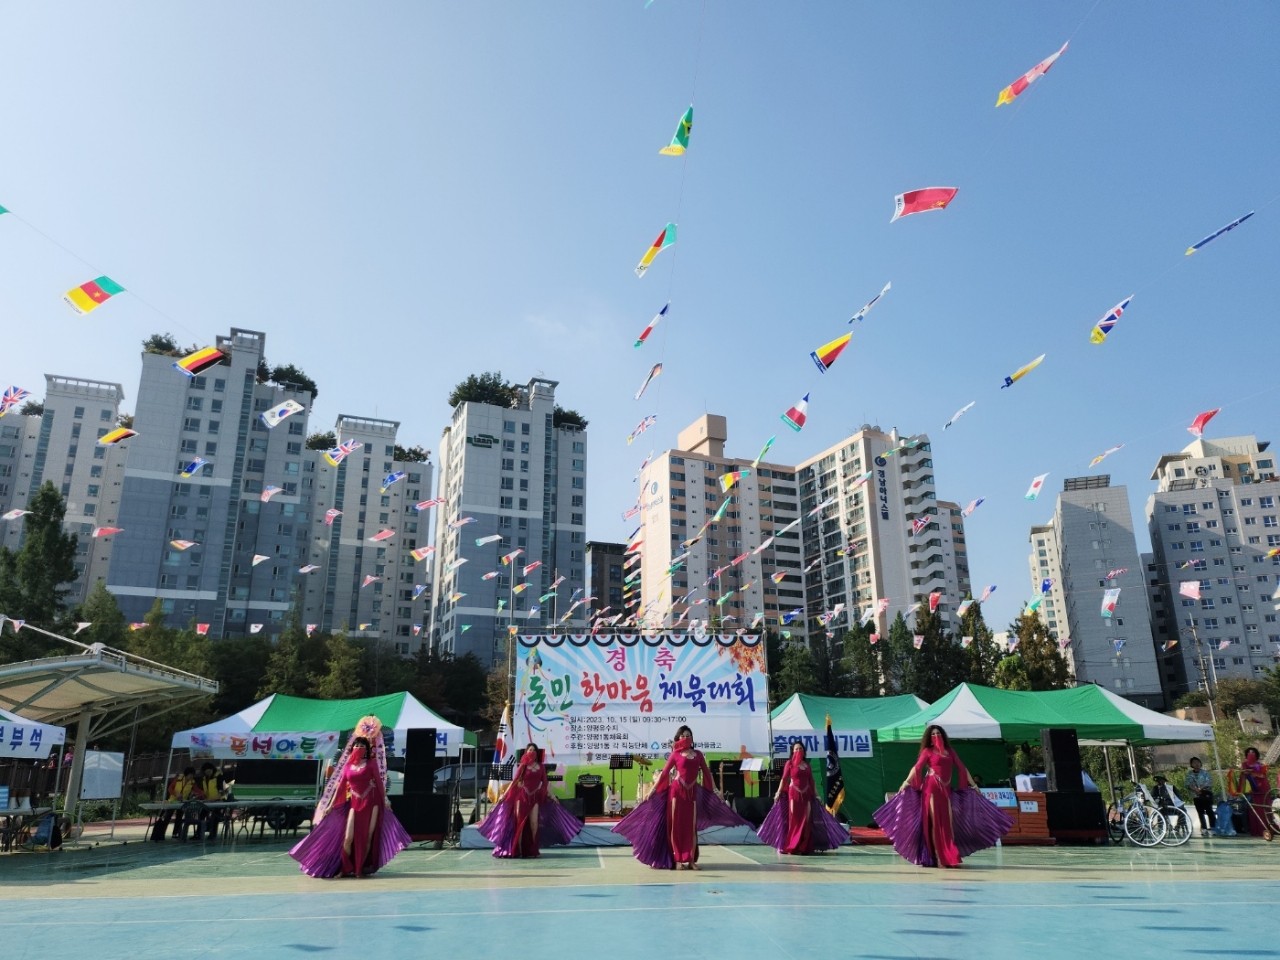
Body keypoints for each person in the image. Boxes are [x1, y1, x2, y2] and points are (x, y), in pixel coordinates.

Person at [289, 716, 411, 878]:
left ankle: (359, 869)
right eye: (356, 745)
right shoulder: (347, 766)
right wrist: (330, 805)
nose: (359, 747)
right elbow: (340, 787)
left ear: (367, 749)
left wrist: (385, 800)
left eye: (362, 745)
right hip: (354, 803)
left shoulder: (371, 764)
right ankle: (345, 868)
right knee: (348, 838)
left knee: (367, 837)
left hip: (372, 803)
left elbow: (380, 784)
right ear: (352, 747)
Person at [612, 725, 750, 869]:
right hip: (676, 793)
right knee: (676, 827)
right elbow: (664, 773)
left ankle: (690, 860)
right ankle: (677, 860)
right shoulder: (675, 754)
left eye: (688, 735)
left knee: (691, 827)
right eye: (683, 735)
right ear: (678, 738)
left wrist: (716, 791)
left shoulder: (698, 754)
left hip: (692, 794)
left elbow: (707, 773)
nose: (685, 737)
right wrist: (652, 790)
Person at [873, 724, 1009, 868]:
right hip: (931, 788)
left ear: (943, 735)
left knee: (948, 824)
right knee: (935, 824)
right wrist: (906, 781)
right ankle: (937, 857)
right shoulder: (928, 751)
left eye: (938, 733)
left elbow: (962, 767)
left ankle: (949, 855)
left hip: (945, 790)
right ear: (929, 739)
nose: (936, 736)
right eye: (933, 734)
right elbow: (917, 767)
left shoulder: (950, 752)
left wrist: (974, 785)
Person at [478, 743, 582, 857]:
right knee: (519, 824)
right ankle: (518, 850)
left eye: (533, 750)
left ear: (536, 753)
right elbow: (514, 782)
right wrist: (504, 795)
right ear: (526, 752)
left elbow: (545, 783)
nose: (531, 751)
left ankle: (533, 850)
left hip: (534, 798)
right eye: (529, 749)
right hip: (521, 797)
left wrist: (552, 796)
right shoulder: (522, 766)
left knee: (534, 824)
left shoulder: (541, 767)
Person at [757, 742, 848, 855]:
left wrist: (817, 795)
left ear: (804, 751)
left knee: (806, 821)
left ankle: (803, 846)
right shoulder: (789, 764)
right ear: (792, 751)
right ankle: (793, 845)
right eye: (796, 749)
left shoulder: (807, 765)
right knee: (794, 820)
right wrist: (778, 792)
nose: (798, 751)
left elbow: (812, 781)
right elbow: (784, 779)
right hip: (793, 794)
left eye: (800, 748)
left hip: (807, 795)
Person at [1232, 746, 1270, 837]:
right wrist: (1245, 774)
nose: (1251, 754)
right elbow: (1242, 776)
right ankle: (1249, 829)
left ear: (1256, 754)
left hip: (1261, 790)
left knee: (1262, 809)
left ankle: (1265, 828)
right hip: (1249, 791)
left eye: (1253, 752)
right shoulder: (1244, 764)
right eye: (1249, 752)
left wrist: (1252, 773)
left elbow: (1262, 776)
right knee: (1249, 810)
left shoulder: (1259, 765)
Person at [152, 766, 196, 842]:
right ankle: (161, 834)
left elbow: (196, 790)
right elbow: (170, 788)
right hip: (172, 802)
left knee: (179, 818)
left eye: (192, 775)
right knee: (167, 817)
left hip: (182, 803)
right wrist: (176, 794)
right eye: (190, 775)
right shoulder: (178, 779)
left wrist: (199, 795)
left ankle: (175, 834)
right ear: (186, 774)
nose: (191, 776)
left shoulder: (192, 782)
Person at [1184, 757, 1215, 833]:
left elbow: (1209, 782)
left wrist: (1201, 789)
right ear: (1191, 764)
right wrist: (1195, 789)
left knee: (1209, 811)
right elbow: (1187, 784)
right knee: (1200, 812)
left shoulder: (1205, 773)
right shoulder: (1190, 774)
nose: (1196, 764)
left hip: (1206, 794)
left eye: (1198, 762)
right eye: (1194, 762)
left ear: (1200, 763)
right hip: (1196, 796)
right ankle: (1204, 827)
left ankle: (1213, 827)